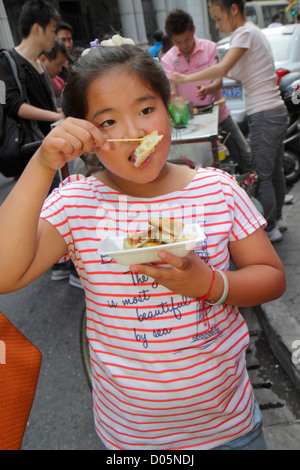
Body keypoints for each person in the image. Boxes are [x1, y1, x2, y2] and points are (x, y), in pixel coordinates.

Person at [0, 37, 286, 450]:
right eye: (108, 122)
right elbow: (6, 275)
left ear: (168, 107)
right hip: (132, 438)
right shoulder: (77, 204)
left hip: (229, 427)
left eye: (146, 110)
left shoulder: (217, 191)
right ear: (82, 132)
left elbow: (272, 277)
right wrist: (43, 164)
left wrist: (210, 285)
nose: (135, 133)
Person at [169, 1, 289, 243]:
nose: (217, 24)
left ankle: (269, 228)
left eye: (218, 18)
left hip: (264, 113)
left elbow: (223, 67)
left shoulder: (243, 33)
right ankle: (277, 219)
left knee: (262, 174)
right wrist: (213, 86)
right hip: (274, 111)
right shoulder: (252, 32)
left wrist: (186, 77)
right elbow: (234, 73)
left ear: (233, 9)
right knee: (274, 171)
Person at [161, 9, 252, 174]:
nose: (184, 45)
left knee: (244, 154)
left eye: (187, 39)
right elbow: (170, 89)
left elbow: (218, 78)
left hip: (218, 114)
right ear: (171, 39)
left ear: (194, 30)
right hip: (188, 122)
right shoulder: (168, 59)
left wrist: (209, 89)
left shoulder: (209, 47)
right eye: (178, 42)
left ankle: (247, 189)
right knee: (199, 165)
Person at [0, 0, 64, 137]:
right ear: (37, 28)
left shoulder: (40, 64)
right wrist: (56, 116)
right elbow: (11, 104)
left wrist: (59, 113)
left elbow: (45, 106)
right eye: (53, 30)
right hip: (28, 149)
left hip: (50, 141)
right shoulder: (5, 60)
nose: (55, 38)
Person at [39, 41, 68, 109]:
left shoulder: (59, 81)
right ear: (43, 59)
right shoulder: (37, 85)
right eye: (58, 64)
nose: (60, 69)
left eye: (62, 65)